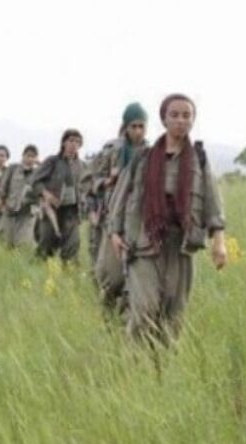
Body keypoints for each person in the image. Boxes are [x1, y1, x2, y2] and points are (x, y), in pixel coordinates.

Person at [110, 95, 227, 345]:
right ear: (163, 119)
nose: (180, 120)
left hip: (181, 246)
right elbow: (120, 195)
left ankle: (163, 371)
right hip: (144, 242)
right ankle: (134, 365)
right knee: (144, 311)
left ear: (193, 120)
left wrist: (219, 241)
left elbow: (212, 202)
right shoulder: (144, 158)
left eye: (186, 115)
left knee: (174, 317)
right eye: (174, 115)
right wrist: (114, 233)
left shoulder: (198, 159)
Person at [95, 103, 151, 314]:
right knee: (112, 276)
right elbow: (89, 181)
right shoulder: (111, 151)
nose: (138, 131)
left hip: (138, 219)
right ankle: (107, 314)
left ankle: (127, 317)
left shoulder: (151, 154)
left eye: (142, 127)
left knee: (136, 275)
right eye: (133, 126)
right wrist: (108, 180)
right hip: (112, 217)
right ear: (125, 126)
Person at [27, 129, 87, 263]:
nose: (74, 144)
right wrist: (44, 193)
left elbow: (87, 187)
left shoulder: (82, 166)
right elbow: (34, 181)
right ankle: (36, 273)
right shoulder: (52, 161)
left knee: (72, 247)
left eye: (77, 142)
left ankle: (67, 277)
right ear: (64, 142)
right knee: (46, 246)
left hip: (71, 213)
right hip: (51, 211)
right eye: (71, 140)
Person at [0, 145, 40, 248]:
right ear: (23, 156)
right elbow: (4, 187)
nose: (30, 159)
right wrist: (1, 202)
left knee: (22, 242)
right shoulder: (13, 169)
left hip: (27, 213)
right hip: (10, 209)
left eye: (33, 156)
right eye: (28, 156)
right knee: (7, 242)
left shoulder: (38, 173)